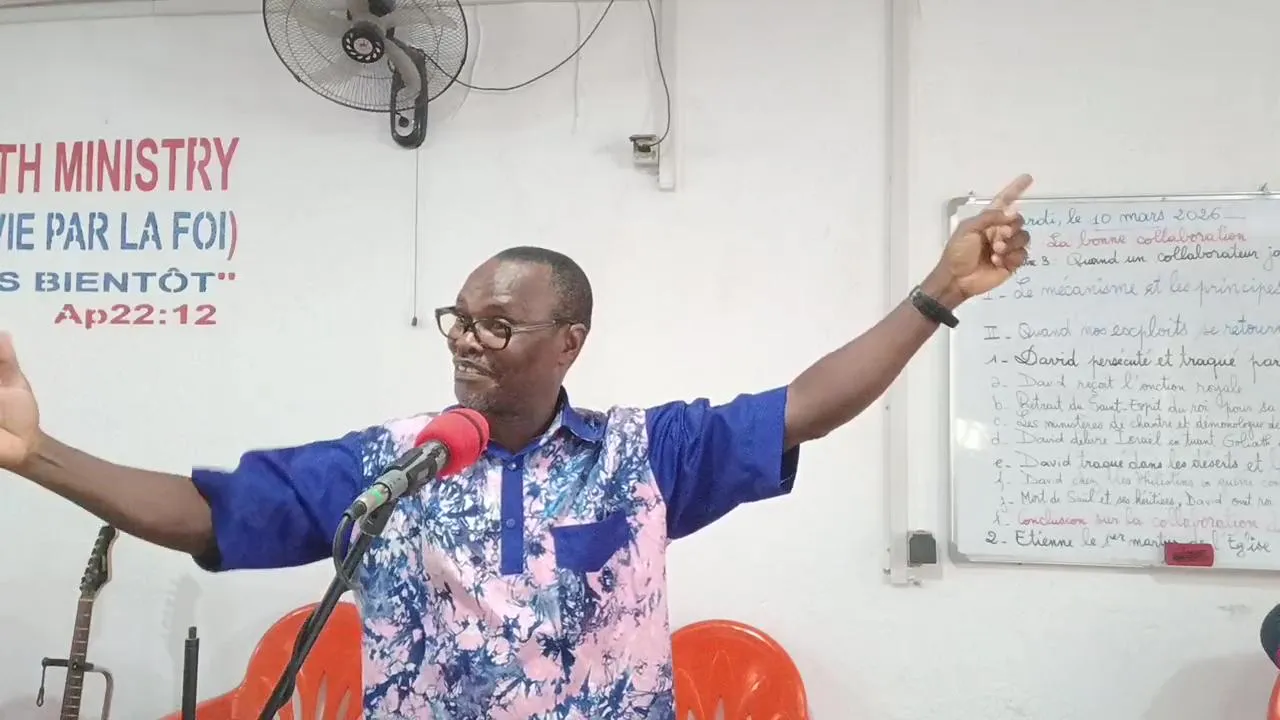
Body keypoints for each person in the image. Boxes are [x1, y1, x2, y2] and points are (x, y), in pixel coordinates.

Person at [0, 175, 1033, 719]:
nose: (467, 341)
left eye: (497, 325)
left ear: (568, 342)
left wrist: (936, 294)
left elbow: (805, 406)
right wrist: (37, 452)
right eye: (459, 319)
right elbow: (211, 513)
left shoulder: (645, 457)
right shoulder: (390, 465)